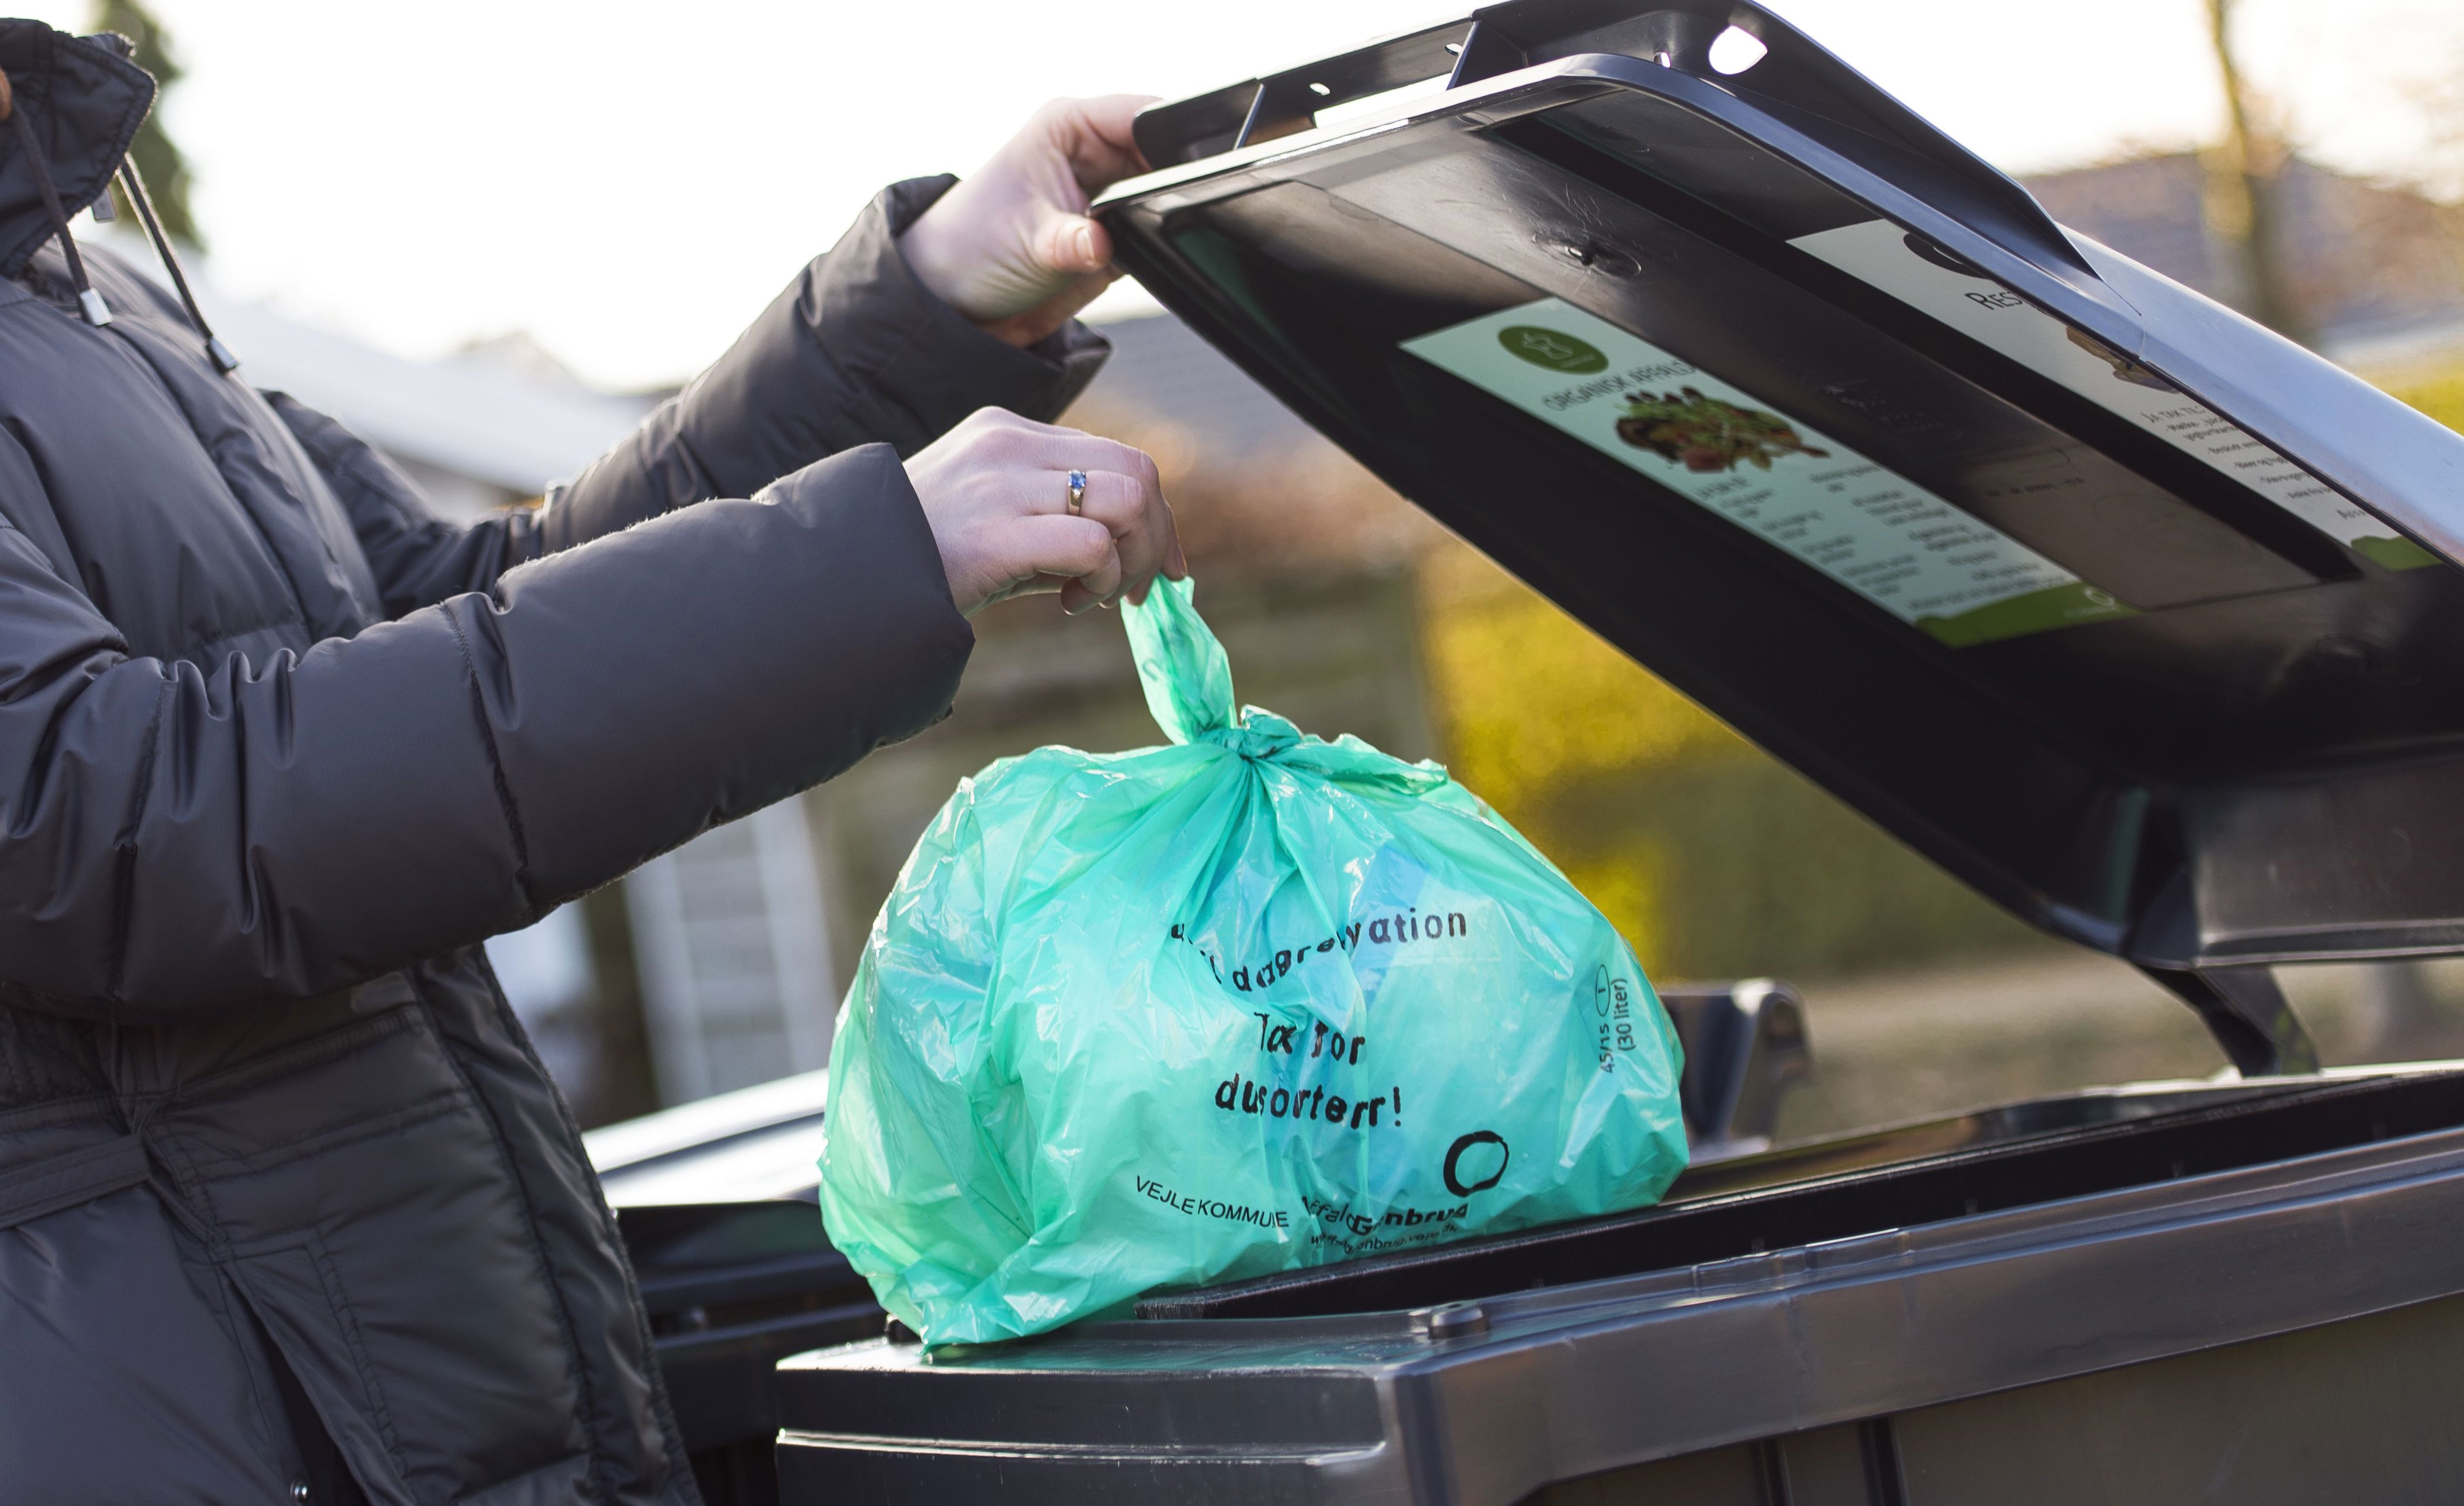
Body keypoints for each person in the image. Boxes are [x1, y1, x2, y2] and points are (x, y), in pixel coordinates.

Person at [0, 20, 1178, 1505]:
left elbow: (456, 606)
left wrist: (930, 304)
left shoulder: (85, 286)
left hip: (443, 1369)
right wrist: (856, 561)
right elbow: (119, 816)